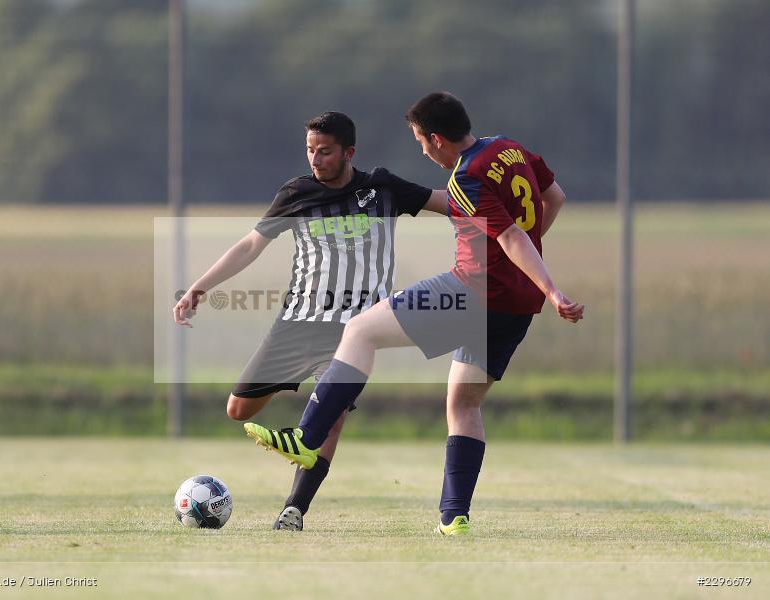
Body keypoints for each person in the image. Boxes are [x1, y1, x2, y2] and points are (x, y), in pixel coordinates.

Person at [244, 92, 584, 535]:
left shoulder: (468, 177)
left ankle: (307, 437)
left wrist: (554, 289)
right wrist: (534, 276)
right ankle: (454, 517)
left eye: (422, 142)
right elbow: (552, 198)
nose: (423, 151)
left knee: (362, 329)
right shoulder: (508, 148)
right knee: (464, 403)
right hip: (516, 306)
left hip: (469, 292)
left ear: (438, 139)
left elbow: (514, 238)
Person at [173, 111, 448, 530]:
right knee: (238, 410)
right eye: (310, 151)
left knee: (331, 418)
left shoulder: (382, 187)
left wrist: (499, 212)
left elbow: (448, 203)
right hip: (297, 322)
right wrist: (199, 287)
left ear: (348, 152)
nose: (316, 160)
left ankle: (294, 510)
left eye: (325, 152)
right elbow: (251, 245)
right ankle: (305, 414)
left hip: (355, 331)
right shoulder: (296, 193)